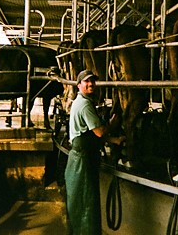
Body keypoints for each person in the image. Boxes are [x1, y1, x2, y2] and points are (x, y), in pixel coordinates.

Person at [65, 69, 124, 235]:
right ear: (79, 85)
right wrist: (112, 123)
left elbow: (90, 134)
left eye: (92, 81)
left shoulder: (80, 101)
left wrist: (114, 141)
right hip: (83, 162)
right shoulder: (85, 104)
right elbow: (98, 132)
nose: (90, 84)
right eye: (86, 82)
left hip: (78, 158)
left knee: (80, 204)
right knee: (86, 205)